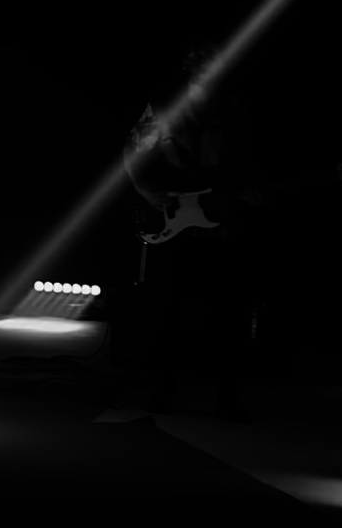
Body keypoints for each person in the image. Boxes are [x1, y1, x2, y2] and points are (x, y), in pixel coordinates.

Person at [123, 41, 264, 423]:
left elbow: (244, 159)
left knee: (229, 312)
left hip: (219, 219)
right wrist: (149, 192)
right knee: (172, 311)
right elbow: (134, 150)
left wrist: (249, 188)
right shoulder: (166, 105)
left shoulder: (234, 108)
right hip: (175, 220)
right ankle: (164, 391)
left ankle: (227, 397)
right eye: (203, 63)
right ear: (191, 66)